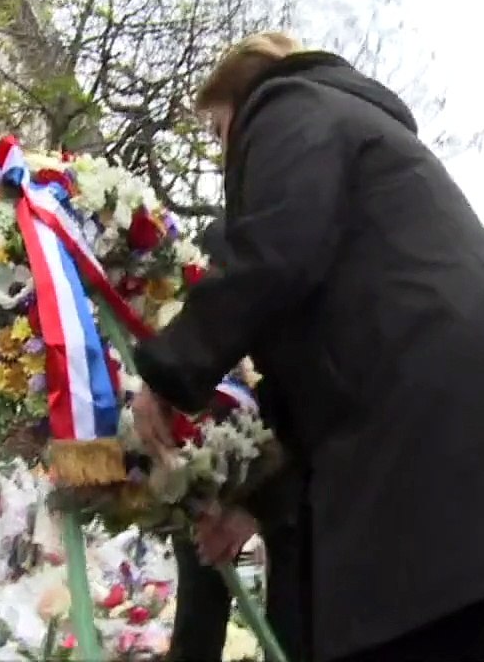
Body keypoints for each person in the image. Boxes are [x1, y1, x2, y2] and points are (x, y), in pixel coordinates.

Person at [129, 31, 484, 662]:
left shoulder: (287, 108)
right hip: (479, 414)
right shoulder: (356, 126)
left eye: (217, 133)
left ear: (238, 98)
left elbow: (276, 255)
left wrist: (166, 370)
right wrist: (259, 501)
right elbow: (303, 351)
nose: (225, 153)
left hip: (434, 417)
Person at [168, 218, 305, 662]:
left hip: (288, 476)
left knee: (294, 602)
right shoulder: (195, 326)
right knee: (201, 591)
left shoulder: (286, 317)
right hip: (212, 472)